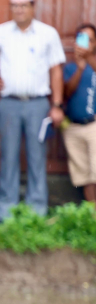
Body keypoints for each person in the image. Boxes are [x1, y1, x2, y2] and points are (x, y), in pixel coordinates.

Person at [0, 0, 67, 220]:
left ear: (33, 7)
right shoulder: (1, 32)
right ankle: (6, 213)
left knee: (37, 157)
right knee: (8, 156)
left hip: (38, 104)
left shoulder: (48, 34)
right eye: (15, 6)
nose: (19, 10)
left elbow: (56, 70)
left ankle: (36, 212)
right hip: (9, 104)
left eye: (24, 6)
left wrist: (56, 105)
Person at [62, 23, 96, 203]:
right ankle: (92, 214)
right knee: (84, 175)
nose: (85, 44)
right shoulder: (70, 67)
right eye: (81, 39)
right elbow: (66, 93)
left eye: (89, 40)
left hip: (93, 125)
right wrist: (80, 68)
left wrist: (88, 59)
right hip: (73, 127)